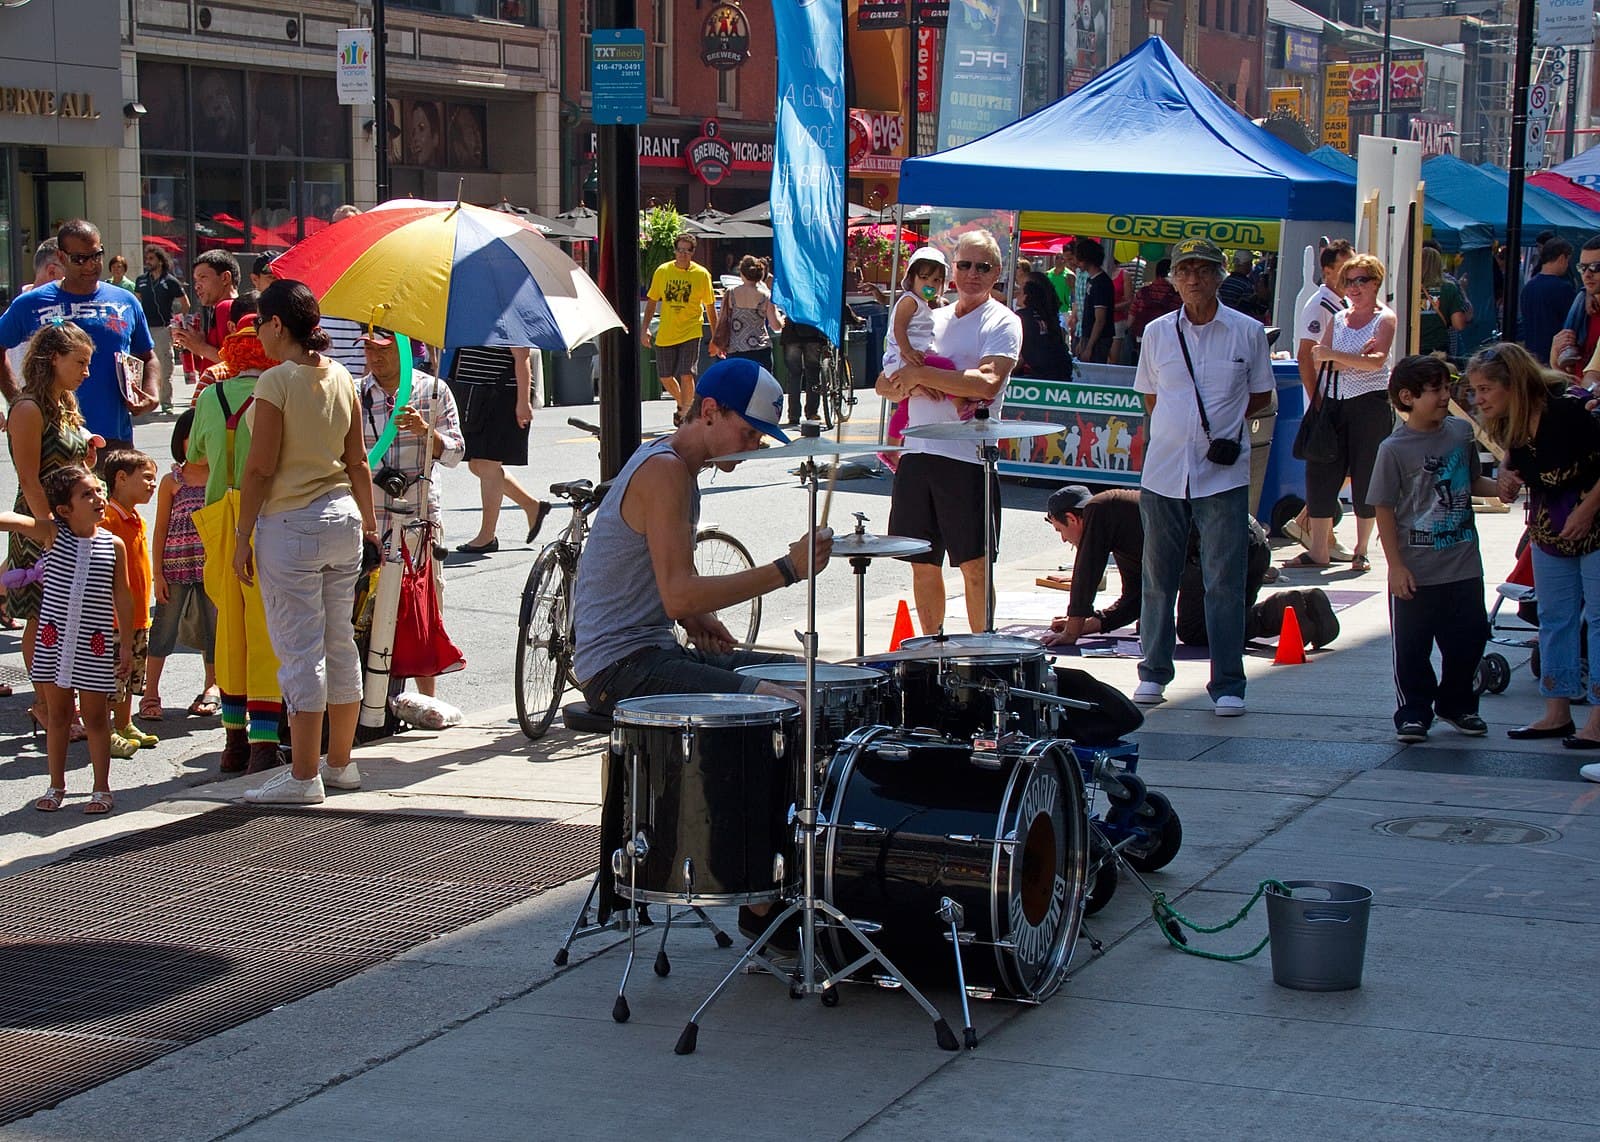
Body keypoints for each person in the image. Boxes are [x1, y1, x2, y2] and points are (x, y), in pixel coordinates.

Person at [572, 357, 831, 715]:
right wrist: (787, 569)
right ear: (710, 410)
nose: (754, 446)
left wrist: (697, 618)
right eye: (749, 432)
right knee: (787, 704)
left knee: (813, 678)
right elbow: (679, 595)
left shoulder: (676, 465)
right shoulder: (666, 470)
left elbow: (669, 581)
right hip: (619, 668)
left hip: (645, 655)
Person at [232, 279, 379, 804]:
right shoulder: (342, 375)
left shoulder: (276, 382)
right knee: (339, 643)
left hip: (290, 524)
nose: (258, 335)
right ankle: (340, 763)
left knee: (300, 651)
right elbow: (359, 459)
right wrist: (369, 524)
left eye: (259, 325)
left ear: (276, 324)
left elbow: (260, 468)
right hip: (343, 518)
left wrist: (241, 535)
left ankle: (302, 775)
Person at [1131, 237, 1274, 715]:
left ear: (1220, 275)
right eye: (1184, 269)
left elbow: (1260, 396)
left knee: (1224, 581)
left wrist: (1224, 429)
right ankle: (1153, 671)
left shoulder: (1247, 331)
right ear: (1172, 277)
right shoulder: (1156, 333)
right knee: (1157, 576)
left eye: (1203, 269)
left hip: (1222, 472)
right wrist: (1178, 431)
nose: (1193, 278)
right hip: (1165, 469)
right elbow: (1151, 397)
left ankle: (1229, 682)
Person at [877, 229, 1020, 635]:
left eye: (983, 266)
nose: (972, 274)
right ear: (951, 270)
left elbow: (987, 382)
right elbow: (884, 383)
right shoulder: (928, 313)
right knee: (922, 563)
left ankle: (983, 653)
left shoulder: (1002, 320)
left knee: (974, 567)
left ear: (997, 273)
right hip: (917, 453)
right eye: (964, 265)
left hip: (966, 458)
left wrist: (921, 374)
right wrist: (907, 380)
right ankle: (932, 652)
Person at [1469, 342, 1600, 756]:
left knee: (1598, 618)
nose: (1479, 398)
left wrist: (1587, 510)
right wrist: (1507, 472)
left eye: (1486, 388)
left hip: (1592, 520)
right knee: (1554, 617)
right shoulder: (1512, 422)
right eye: (1476, 390)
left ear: (1514, 384)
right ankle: (1556, 709)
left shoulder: (1567, 413)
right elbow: (1516, 458)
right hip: (1550, 526)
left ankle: (1598, 718)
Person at [1368, 355, 1503, 744]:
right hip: (1417, 567)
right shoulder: (1393, 449)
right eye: (1437, 389)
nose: (1447, 395)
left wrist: (1503, 488)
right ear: (1408, 397)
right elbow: (1384, 507)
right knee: (1412, 647)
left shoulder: (1461, 433)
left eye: (1448, 387)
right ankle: (1413, 710)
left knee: (1471, 636)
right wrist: (1395, 566)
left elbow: (1472, 481)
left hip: (1462, 562)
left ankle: (1457, 703)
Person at [1039, 485, 1334, 651]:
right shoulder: (1124, 525)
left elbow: (1086, 573)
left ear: (1072, 518)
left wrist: (1073, 630)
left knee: (1197, 630)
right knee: (1225, 623)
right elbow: (1136, 599)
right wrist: (1097, 623)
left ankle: (1287, 610)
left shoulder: (1099, 510)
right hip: (1250, 542)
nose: (1064, 540)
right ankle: (1301, 609)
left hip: (1222, 546)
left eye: (1059, 530)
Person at [184, 302, 287, 774]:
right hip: (266, 516)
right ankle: (265, 744)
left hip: (222, 521)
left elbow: (197, 456)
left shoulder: (211, 396)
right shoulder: (280, 392)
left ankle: (233, 742)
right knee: (266, 631)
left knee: (230, 631)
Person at [0, 466, 134, 815]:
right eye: (86, 494)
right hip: (53, 643)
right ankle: (56, 785)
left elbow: (123, 594)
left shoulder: (113, 544)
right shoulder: (53, 535)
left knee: (96, 718)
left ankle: (101, 788)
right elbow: (14, 521)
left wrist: (125, 645)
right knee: (58, 716)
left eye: (98, 491)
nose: (98, 499)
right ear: (64, 510)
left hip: (95, 644)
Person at [359, 325, 464, 697]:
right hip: (369, 517)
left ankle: (426, 700)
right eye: (368, 348)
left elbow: (455, 453)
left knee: (422, 606)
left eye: (382, 349)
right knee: (366, 611)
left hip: (418, 515)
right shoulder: (357, 394)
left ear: (404, 350)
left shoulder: (433, 391)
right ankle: (375, 699)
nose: (373, 356)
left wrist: (427, 432)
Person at [6, 322, 101, 725]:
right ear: (54, 359)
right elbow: (29, 477)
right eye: (79, 363)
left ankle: (62, 703)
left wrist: (87, 462)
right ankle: (45, 705)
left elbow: (66, 460)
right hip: (40, 523)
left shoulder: (65, 402)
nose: (86, 372)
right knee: (41, 616)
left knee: (68, 616)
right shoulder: (28, 408)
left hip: (71, 521)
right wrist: (47, 528)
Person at [0, 220, 156, 446]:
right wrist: (17, 401)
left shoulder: (125, 301)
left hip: (112, 437)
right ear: (61, 258)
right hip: (50, 437)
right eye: (80, 259)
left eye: (96, 255)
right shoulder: (31, 303)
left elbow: (147, 355)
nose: (91, 265)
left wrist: (151, 394)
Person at [1296, 253, 1398, 573]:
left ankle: (1362, 548)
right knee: (1321, 470)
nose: (1354, 287)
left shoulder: (1385, 319)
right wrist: (1351, 358)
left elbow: (1376, 361)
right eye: (1349, 281)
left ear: (1376, 283)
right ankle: (1319, 549)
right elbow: (1317, 356)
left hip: (1370, 404)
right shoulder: (1339, 317)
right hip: (1335, 402)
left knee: (1367, 475)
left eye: (1361, 281)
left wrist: (1338, 358)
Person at [144, 410, 220, 722]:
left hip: (211, 569)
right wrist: (157, 573)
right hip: (174, 570)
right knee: (163, 628)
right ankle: (150, 692)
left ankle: (212, 686)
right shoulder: (170, 482)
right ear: (181, 441)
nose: (200, 445)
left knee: (214, 631)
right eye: (193, 438)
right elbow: (160, 528)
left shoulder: (220, 477)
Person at [1282, 239, 1355, 562]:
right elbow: (1304, 355)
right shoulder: (1319, 305)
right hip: (1326, 398)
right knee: (1331, 465)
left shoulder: (1343, 303)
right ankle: (1310, 525)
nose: (1354, 274)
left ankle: (1309, 524)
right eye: (1346, 267)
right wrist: (1316, 402)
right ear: (1328, 271)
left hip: (1342, 396)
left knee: (1343, 466)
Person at [447, 345, 551, 554]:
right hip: (476, 396)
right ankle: (532, 505)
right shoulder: (473, 314)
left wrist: (523, 402)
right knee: (477, 465)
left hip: (500, 396)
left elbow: (522, 356)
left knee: (487, 465)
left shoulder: (505, 316)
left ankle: (487, 536)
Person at [98, 448, 160, 758]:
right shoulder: (106, 518)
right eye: (147, 478)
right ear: (121, 478)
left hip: (137, 616)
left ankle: (124, 724)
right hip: (112, 619)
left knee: (131, 675)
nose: (152, 484)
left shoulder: (135, 517)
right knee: (110, 679)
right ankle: (104, 731)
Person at [642, 233, 716, 422]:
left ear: (692, 253)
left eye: (687, 251)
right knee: (665, 376)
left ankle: (686, 416)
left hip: (691, 329)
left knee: (686, 373)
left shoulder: (701, 274)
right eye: (679, 250)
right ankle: (685, 406)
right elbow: (652, 302)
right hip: (667, 331)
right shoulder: (663, 271)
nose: (682, 254)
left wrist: (716, 337)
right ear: (675, 251)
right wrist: (645, 329)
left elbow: (709, 306)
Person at [135, 245, 191, 415]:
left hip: (163, 328)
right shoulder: (141, 280)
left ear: (160, 260)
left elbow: (185, 303)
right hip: (145, 328)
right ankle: (144, 399)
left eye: (151, 258)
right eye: (147, 258)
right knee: (142, 365)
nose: (148, 262)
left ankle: (166, 402)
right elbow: (137, 302)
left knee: (165, 365)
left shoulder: (170, 281)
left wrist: (178, 322)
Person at [172, 249, 241, 374]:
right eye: (196, 281)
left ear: (225, 278)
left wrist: (200, 347)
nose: (197, 286)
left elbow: (235, 364)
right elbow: (209, 366)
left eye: (203, 277)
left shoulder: (226, 307)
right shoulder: (224, 308)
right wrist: (190, 345)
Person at [716, 254, 783, 371]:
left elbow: (722, 319)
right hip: (760, 349)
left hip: (736, 348)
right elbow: (776, 326)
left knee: (738, 385)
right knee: (761, 386)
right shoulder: (766, 296)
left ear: (741, 273)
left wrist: (719, 343)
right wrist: (782, 320)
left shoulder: (730, 293)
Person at [1520, 239, 1577, 368]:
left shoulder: (1528, 287)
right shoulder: (1563, 288)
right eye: (1568, 260)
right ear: (1562, 258)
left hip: (1532, 357)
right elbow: (1572, 324)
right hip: (1553, 357)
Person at [1127, 258, 1181, 369]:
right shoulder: (1178, 295)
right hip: (1168, 340)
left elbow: (1131, 319)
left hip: (1142, 337)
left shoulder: (1143, 292)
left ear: (1156, 273)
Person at [1016, 272, 1071, 378]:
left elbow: (1020, 359)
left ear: (1026, 295)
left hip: (1043, 376)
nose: (1016, 293)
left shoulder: (1021, 317)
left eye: (1020, 290)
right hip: (1063, 370)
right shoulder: (1048, 315)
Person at [1560, 234, 1600, 378]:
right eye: (1582, 267)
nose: (1587, 274)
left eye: (1596, 267)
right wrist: (1555, 361)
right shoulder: (1582, 306)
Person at [1417, 246, 1468, 359]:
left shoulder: (1409, 287)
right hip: (1438, 349)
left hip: (1412, 345)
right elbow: (1458, 324)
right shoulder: (1449, 288)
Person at [777, 320, 830, 426]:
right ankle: (811, 412)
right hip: (813, 333)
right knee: (813, 374)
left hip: (791, 334)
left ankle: (793, 415)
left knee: (794, 375)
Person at [1072, 238, 1114, 364]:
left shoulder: (1101, 283)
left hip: (1098, 340)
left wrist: (1089, 347)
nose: (1078, 263)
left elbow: (1100, 319)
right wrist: (1083, 341)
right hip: (1088, 336)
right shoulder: (1091, 280)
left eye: (1080, 259)